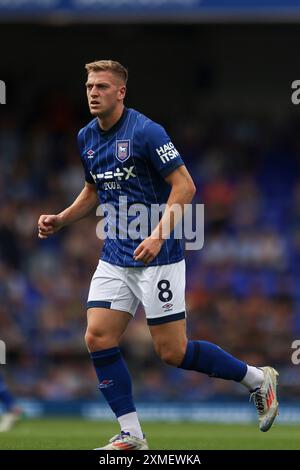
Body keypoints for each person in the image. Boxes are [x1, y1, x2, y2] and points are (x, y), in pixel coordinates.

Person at [38, 60, 279, 450]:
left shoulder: (147, 131)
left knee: (172, 352)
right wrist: (62, 219)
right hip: (115, 254)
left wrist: (156, 235)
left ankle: (255, 378)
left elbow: (185, 186)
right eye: (88, 86)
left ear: (121, 92)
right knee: (97, 337)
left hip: (159, 255)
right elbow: (93, 189)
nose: (93, 93)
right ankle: (131, 434)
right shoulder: (86, 137)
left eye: (101, 86)